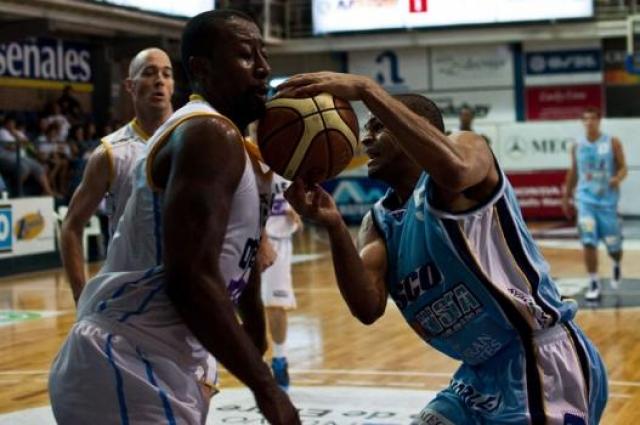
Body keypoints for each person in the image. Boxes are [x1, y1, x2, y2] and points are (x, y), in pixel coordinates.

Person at [279, 73, 608, 425]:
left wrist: (367, 90)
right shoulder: (379, 221)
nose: (365, 138)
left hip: (538, 360)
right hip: (476, 375)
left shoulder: (468, 148)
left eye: (378, 127)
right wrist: (333, 226)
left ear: (413, 127)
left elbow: (455, 170)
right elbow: (367, 307)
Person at [49, 10, 300, 425]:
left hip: (159, 357)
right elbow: (191, 278)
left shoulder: (236, 145)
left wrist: (254, 332)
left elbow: (242, 253)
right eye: (245, 55)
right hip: (129, 357)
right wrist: (267, 388)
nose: (262, 68)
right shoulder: (208, 134)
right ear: (201, 69)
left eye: (263, 54)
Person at [60, 47, 174, 303]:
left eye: (167, 74)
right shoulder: (110, 153)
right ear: (130, 86)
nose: (159, 80)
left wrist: (261, 239)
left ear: (173, 85)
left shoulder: (196, 138)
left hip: (189, 288)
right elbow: (71, 226)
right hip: (129, 294)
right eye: (149, 73)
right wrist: (81, 297)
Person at [562, 107, 627, 301]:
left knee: (614, 247)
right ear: (582, 122)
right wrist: (566, 196)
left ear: (599, 120)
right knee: (588, 240)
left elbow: (623, 167)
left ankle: (616, 264)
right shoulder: (578, 145)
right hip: (585, 200)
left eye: (592, 118)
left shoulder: (612, 142)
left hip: (607, 202)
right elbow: (574, 171)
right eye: (585, 119)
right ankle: (593, 282)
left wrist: (617, 178)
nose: (588, 122)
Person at [262, 173, 302, 390]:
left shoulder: (293, 164)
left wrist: (298, 212)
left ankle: (279, 360)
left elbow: (301, 205)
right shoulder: (245, 158)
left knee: (276, 304)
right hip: (244, 235)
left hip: (279, 241)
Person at [0, 115, 54, 196]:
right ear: (5, 123)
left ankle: (48, 191)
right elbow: (11, 147)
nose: (11, 124)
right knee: (24, 167)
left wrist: (16, 136)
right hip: (6, 158)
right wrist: (21, 143)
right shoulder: (2, 132)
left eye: (13, 123)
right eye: (9, 122)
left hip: (22, 157)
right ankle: (17, 192)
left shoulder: (17, 132)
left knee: (38, 166)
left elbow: (28, 144)